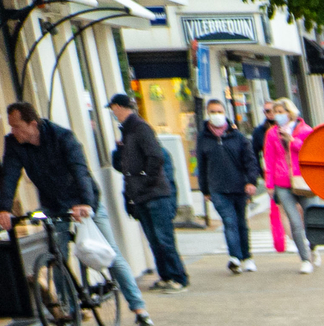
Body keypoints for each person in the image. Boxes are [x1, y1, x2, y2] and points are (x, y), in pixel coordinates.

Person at [0, 100, 153, 326]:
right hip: (54, 205)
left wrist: (86, 204)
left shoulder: (62, 137)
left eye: (17, 126)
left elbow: (80, 171)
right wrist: (5, 208)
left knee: (110, 253)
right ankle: (68, 315)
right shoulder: (15, 143)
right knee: (57, 259)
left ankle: (140, 311)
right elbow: (10, 174)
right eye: (11, 127)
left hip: (85, 200)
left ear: (32, 124)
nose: (13, 131)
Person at [107, 93, 187, 291]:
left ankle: (179, 278)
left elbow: (156, 156)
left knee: (164, 239)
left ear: (118, 107)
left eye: (113, 109)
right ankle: (166, 276)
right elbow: (121, 166)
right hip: (140, 195)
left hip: (154, 194)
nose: (112, 113)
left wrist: (146, 181)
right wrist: (119, 152)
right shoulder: (126, 132)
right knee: (154, 240)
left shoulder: (140, 128)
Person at [194, 98, 261, 272]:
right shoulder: (203, 138)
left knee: (241, 223)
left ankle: (247, 257)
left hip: (239, 187)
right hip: (217, 189)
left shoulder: (237, 136)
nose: (216, 115)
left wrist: (251, 181)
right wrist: (205, 189)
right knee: (229, 221)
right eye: (212, 112)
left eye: (219, 111)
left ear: (225, 113)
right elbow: (201, 164)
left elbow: (250, 161)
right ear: (207, 114)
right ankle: (235, 257)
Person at [259, 99, 313, 270]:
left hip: (305, 181)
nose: (278, 115)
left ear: (290, 112)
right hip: (282, 182)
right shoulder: (272, 133)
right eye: (276, 112)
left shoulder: (305, 130)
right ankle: (305, 259)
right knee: (295, 222)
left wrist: (292, 141)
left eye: (282, 111)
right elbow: (269, 158)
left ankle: (314, 248)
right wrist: (269, 184)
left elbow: (311, 153)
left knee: (312, 219)